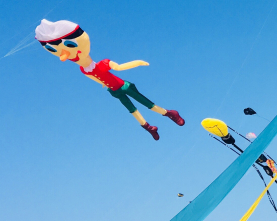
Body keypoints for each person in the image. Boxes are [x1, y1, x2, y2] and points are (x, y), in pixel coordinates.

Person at [34, 20, 185, 140]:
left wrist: (138, 62)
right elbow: (95, 79)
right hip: (114, 91)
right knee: (132, 111)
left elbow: (119, 67)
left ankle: (170, 113)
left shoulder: (103, 64)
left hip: (124, 87)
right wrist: (103, 85)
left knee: (148, 105)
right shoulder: (83, 70)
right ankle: (149, 127)